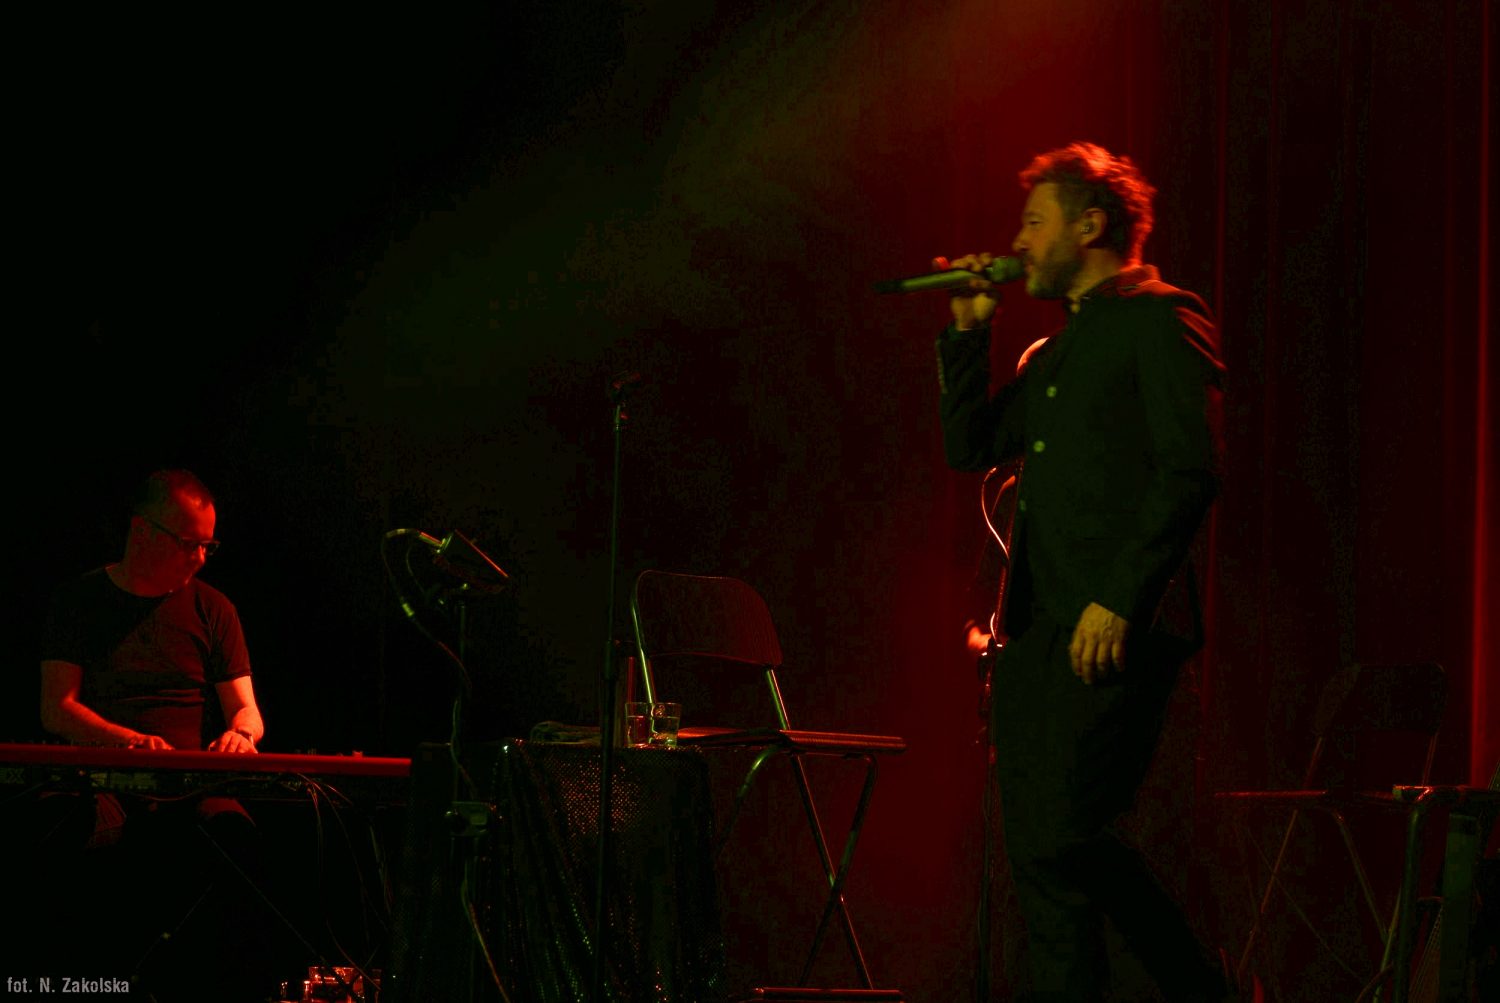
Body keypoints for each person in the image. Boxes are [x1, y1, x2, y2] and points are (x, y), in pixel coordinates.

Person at [934, 141, 1229, 1002]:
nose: (1019, 242)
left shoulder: (1162, 317)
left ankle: (1200, 987)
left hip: (1110, 626)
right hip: (1037, 631)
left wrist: (1121, 600)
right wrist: (969, 332)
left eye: (1035, 222)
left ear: (1090, 225)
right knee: (1039, 855)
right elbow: (971, 445)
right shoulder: (1056, 352)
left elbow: (1190, 469)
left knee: (1067, 836)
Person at [32, 467, 272, 998]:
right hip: (100, 781)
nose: (201, 558)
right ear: (142, 531)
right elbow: (57, 708)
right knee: (62, 829)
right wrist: (125, 742)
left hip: (186, 785)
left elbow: (247, 711)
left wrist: (241, 735)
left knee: (235, 837)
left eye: (209, 546)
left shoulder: (214, 608)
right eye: (190, 544)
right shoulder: (79, 600)